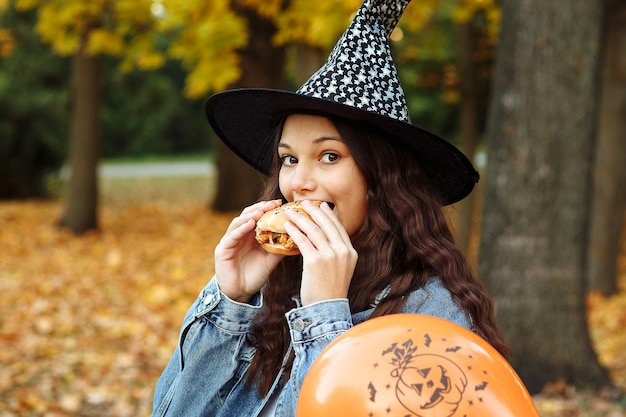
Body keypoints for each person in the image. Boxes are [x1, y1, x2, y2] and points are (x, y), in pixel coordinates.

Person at [151, 0, 509, 416]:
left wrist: (325, 320)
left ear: (382, 179)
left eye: (329, 157)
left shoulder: (432, 318)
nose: (299, 182)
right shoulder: (273, 293)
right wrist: (229, 301)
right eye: (289, 158)